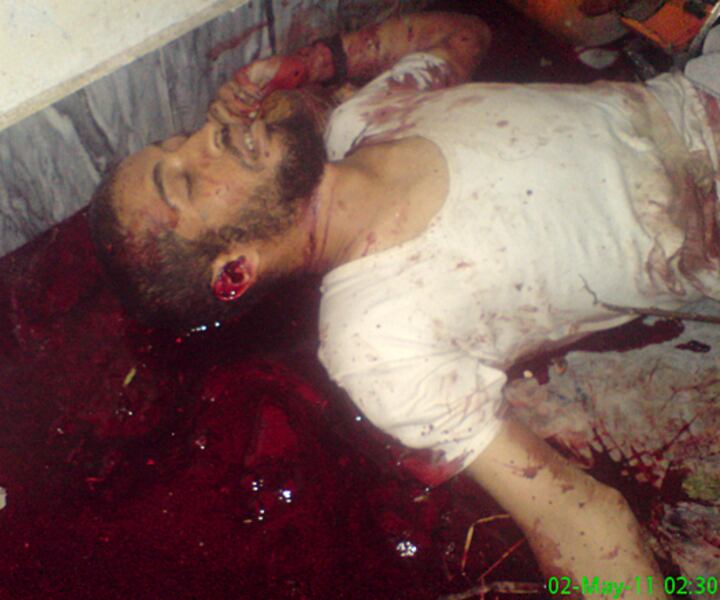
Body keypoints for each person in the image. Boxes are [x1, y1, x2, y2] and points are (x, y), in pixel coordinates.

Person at [88, 10, 720, 595]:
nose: (211, 132)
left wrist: (310, 64)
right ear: (235, 271)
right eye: (186, 178)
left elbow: (466, 36)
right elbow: (575, 517)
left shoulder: (365, 118)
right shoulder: (375, 340)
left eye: (180, 136)